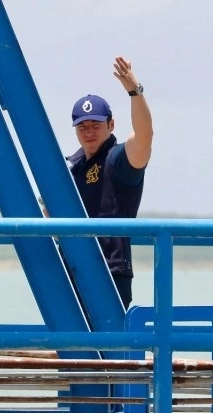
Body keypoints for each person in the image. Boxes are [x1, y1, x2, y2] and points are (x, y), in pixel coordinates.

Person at [66, 56, 153, 308]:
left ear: (111, 124)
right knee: (71, 344)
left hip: (110, 269)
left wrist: (134, 92)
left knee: (110, 345)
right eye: (82, 127)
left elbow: (145, 136)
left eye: (96, 124)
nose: (89, 131)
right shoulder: (72, 166)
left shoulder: (118, 160)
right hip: (72, 267)